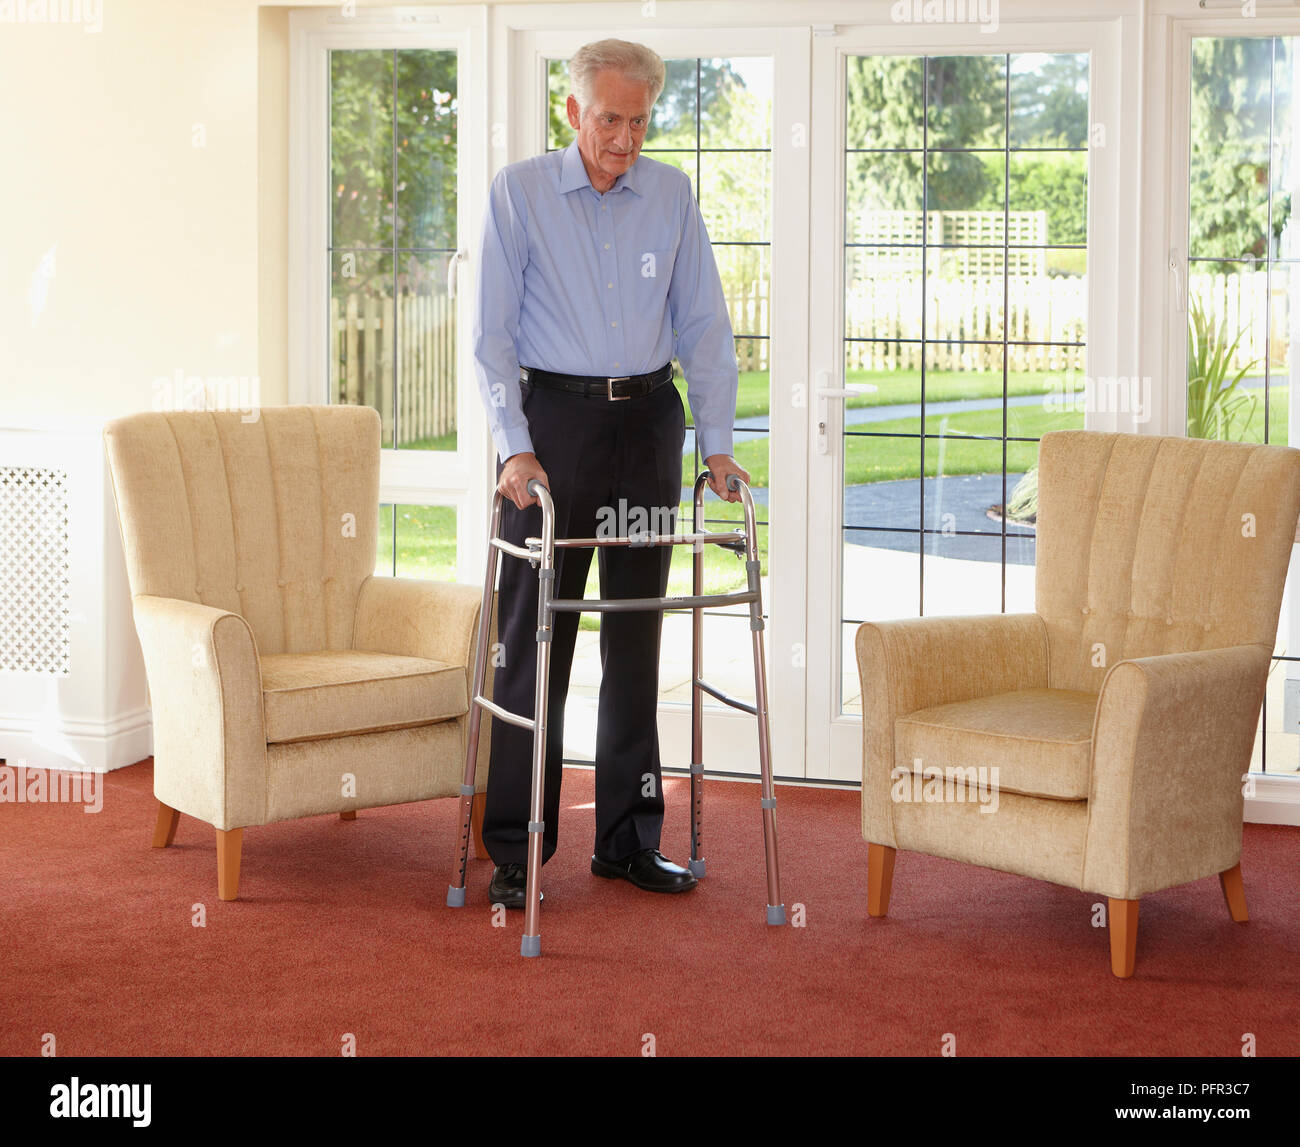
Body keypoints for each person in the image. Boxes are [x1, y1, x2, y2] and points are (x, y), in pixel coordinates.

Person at [473, 38, 747, 908]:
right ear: (572, 113)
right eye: (609, 119)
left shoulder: (669, 194)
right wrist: (513, 442)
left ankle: (628, 840)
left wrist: (716, 442)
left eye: (638, 120)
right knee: (535, 639)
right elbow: (491, 336)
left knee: (636, 638)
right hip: (553, 434)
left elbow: (703, 323)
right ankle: (518, 847)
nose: (625, 138)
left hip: (646, 426)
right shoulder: (518, 193)